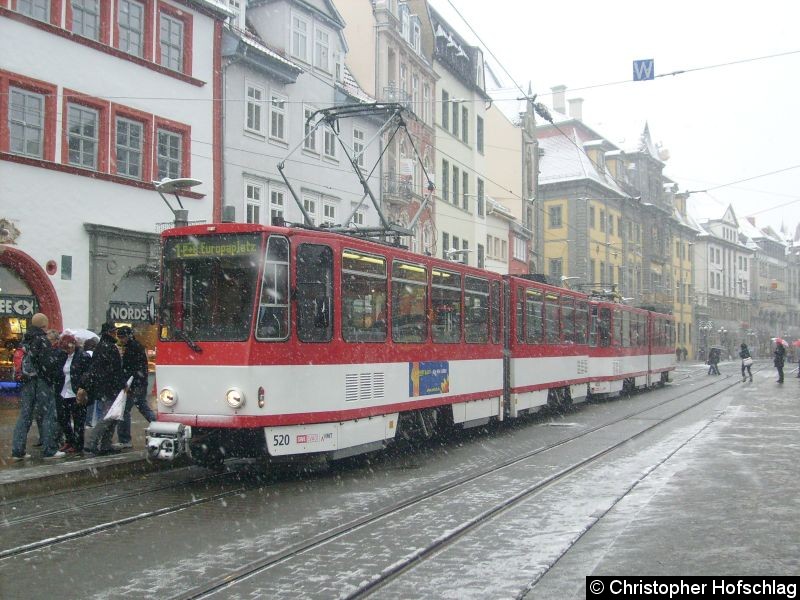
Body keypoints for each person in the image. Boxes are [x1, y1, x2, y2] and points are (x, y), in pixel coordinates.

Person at [10, 313, 65, 460]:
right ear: (44, 325)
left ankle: (18, 450)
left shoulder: (24, 340)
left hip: (27, 381)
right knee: (47, 414)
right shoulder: (42, 339)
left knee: (25, 415)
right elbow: (48, 363)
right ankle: (50, 449)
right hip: (42, 381)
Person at [78, 323, 125, 455]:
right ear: (109, 332)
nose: (115, 334)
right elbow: (115, 370)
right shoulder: (110, 348)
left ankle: (105, 444)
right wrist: (122, 384)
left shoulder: (100, 346)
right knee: (108, 417)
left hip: (103, 387)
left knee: (111, 416)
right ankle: (92, 442)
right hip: (110, 387)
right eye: (114, 331)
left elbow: (97, 368)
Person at [115, 326, 155, 449]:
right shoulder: (137, 346)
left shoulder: (131, 348)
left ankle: (125, 439)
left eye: (122, 337)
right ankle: (158, 425)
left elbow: (129, 368)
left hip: (133, 384)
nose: (121, 340)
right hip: (139, 383)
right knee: (142, 406)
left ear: (127, 336)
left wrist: (127, 383)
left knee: (125, 410)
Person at [53, 334, 92, 453]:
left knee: (78, 420)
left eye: (69, 348)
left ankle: (77, 444)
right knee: (62, 418)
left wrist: (83, 387)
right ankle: (69, 440)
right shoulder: (62, 356)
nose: (67, 351)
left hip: (76, 392)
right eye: (65, 349)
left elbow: (88, 373)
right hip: (64, 392)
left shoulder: (83, 356)